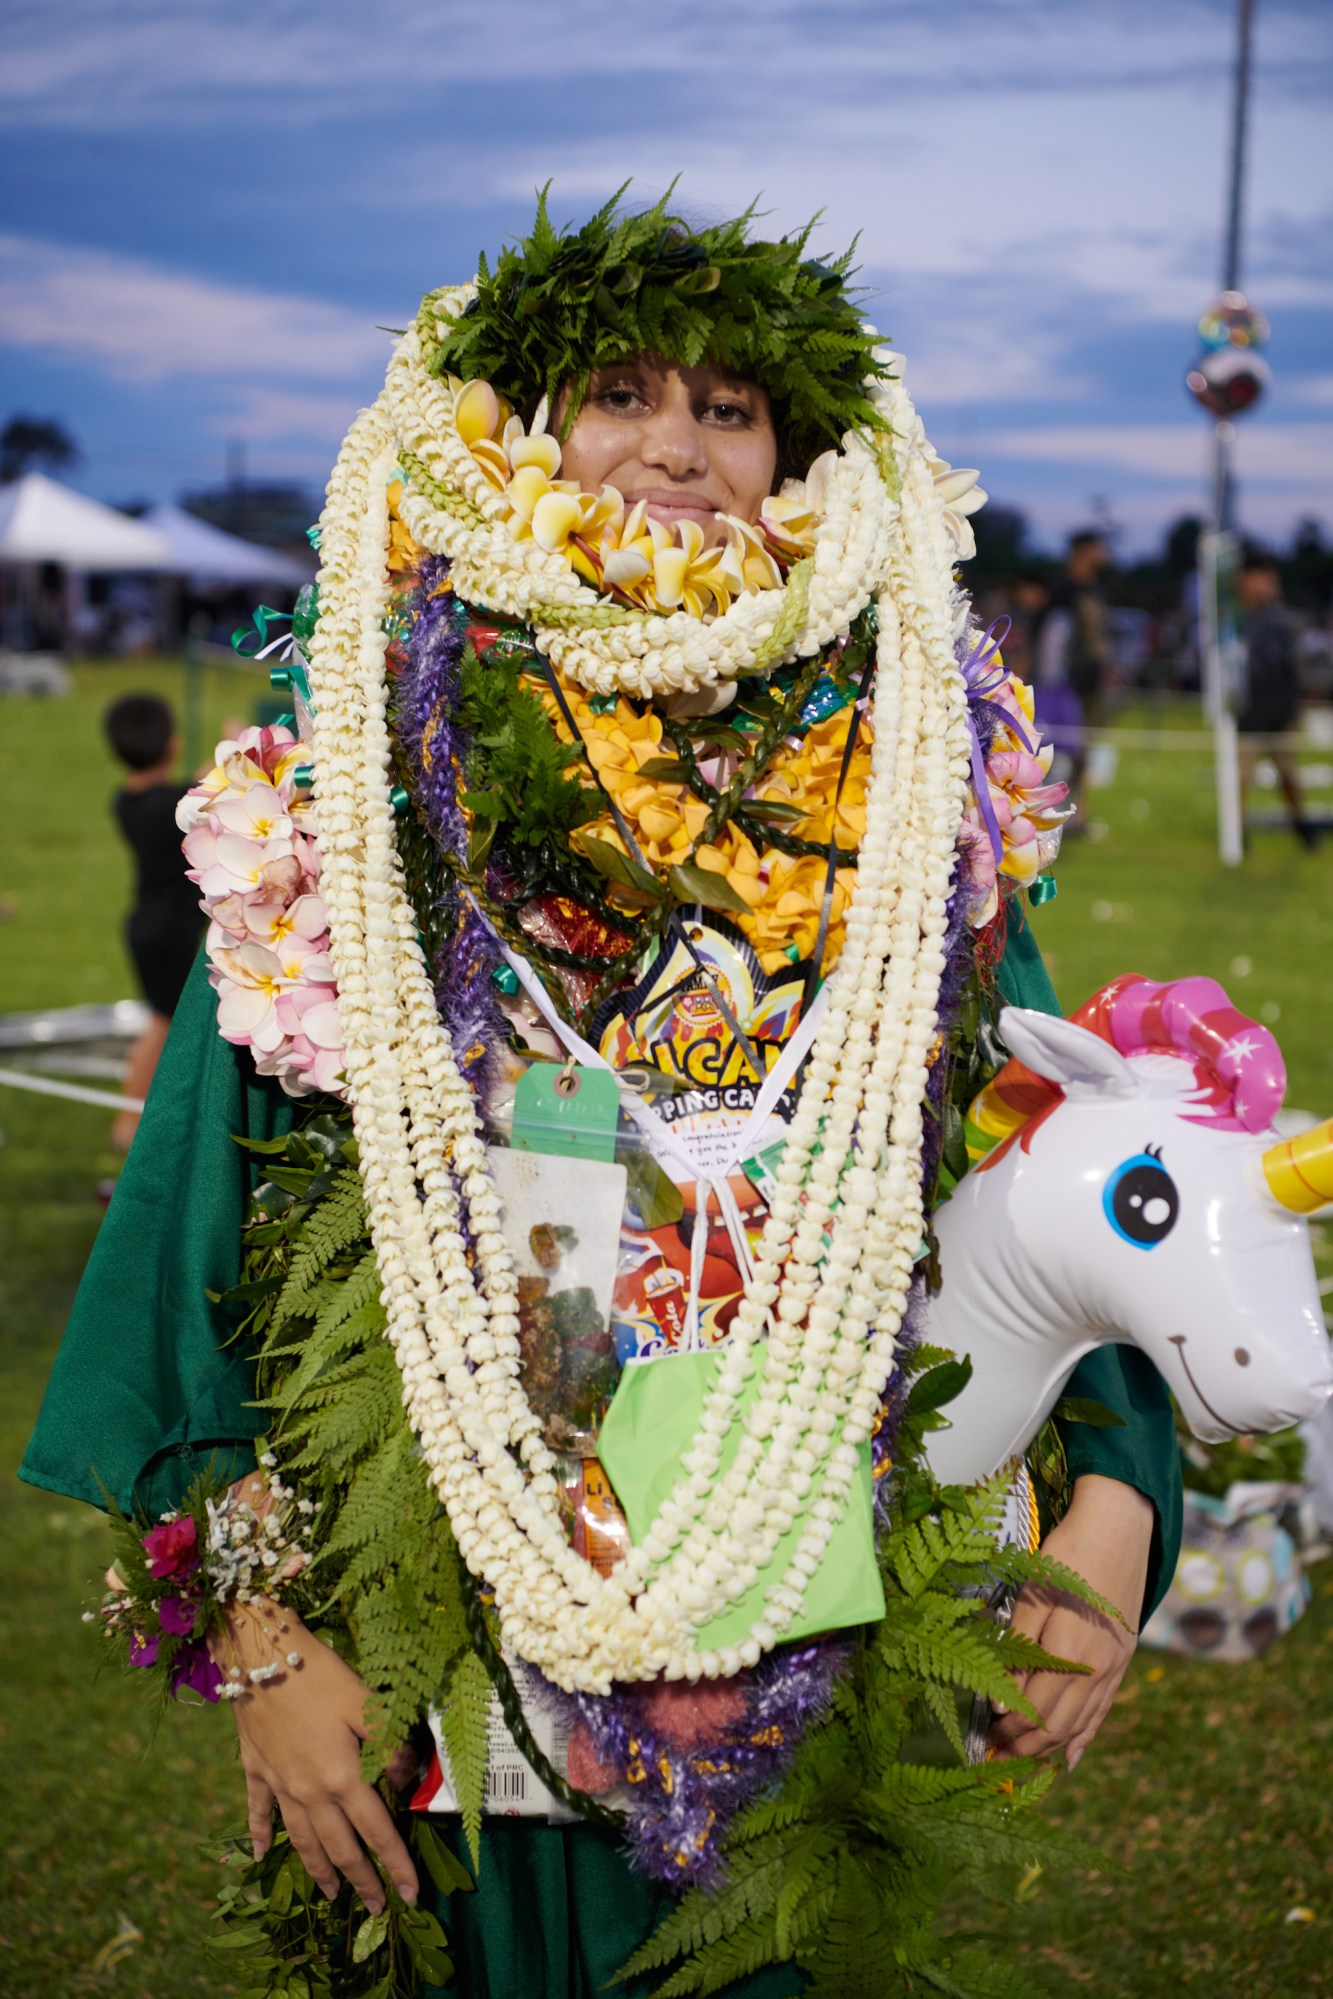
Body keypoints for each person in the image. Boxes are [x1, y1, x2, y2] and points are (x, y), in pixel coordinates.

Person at [24, 196, 1181, 1996]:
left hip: (799, 1599)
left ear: (793, 460)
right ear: (521, 435)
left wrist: (1109, 1478)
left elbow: (1029, 1142)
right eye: (622, 393)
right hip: (449, 1606)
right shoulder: (368, 755)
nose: (676, 447)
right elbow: (198, 1214)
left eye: (730, 410)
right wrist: (258, 1632)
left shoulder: (901, 781)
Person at [101, 692, 204, 1150]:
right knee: (163, 1024)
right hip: (170, 934)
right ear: (173, 745)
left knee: (161, 1022)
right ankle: (127, 1125)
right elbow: (201, 795)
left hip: (148, 927)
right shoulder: (171, 805)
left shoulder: (125, 800)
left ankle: (142, 1116)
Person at [1031, 530, 1114, 821]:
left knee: (1084, 747)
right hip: (1065, 685)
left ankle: (1080, 809)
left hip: (1089, 680)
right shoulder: (1065, 591)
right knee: (1059, 748)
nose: (1104, 553)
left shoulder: (1094, 589)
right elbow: (1053, 639)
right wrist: (1051, 682)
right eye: (1098, 547)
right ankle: (1053, 810)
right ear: (1082, 550)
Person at [1236, 552, 1316, 850]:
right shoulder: (1238, 620)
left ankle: (1300, 824)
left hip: (1279, 713)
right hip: (1249, 714)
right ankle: (1237, 834)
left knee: (1288, 776)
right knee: (1240, 778)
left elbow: (1298, 665)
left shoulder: (1284, 620)